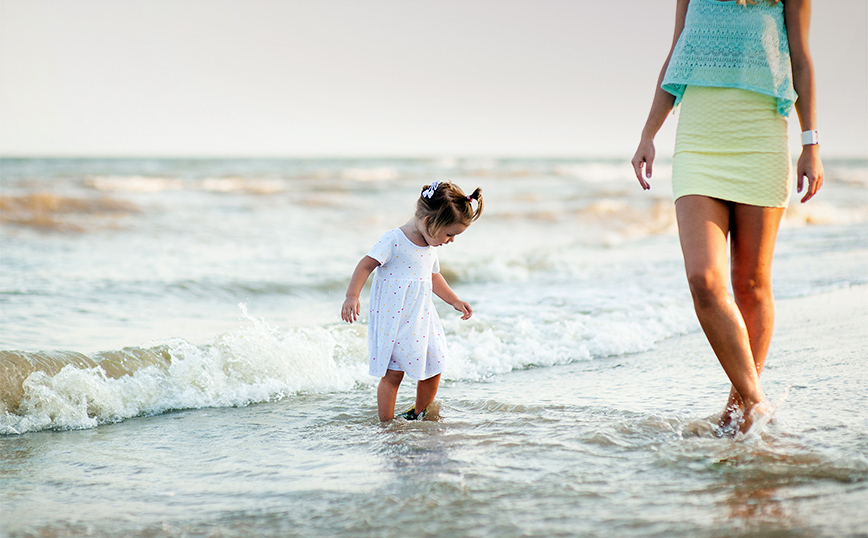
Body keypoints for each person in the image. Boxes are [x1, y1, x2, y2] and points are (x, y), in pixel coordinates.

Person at [631, 0, 824, 434]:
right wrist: (649, 132)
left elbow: (801, 56)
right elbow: (677, 50)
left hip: (761, 136)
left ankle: (737, 413)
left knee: (751, 284)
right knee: (704, 279)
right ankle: (756, 401)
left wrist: (811, 142)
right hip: (699, 139)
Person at [341, 180, 484, 422]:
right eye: (449, 234)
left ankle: (419, 413)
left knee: (435, 363)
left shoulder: (431, 243)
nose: (451, 240)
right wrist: (352, 296)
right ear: (429, 222)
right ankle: (386, 423)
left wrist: (455, 300)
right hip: (396, 319)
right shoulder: (394, 240)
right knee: (394, 374)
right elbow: (366, 264)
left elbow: (433, 276)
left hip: (422, 317)